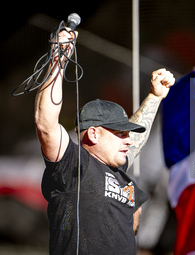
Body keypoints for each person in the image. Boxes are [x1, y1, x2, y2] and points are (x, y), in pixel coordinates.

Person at [34, 28, 175, 254]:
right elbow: (46, 125)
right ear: (93, 134)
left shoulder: (121, 171)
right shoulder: (72, 164)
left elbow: (137, 137)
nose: (128, 140)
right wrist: (58, 58)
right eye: (120, 133)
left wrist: (155, 96)